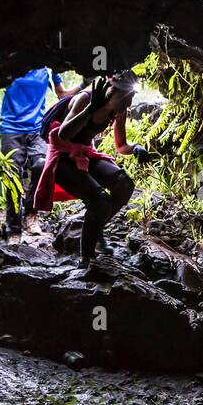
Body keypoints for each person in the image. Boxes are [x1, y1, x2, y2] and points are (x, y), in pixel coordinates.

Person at [33, 72, 152, 270]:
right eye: (126, 97)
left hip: (86, 154)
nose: (129, 103)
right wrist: (91, 109)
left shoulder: (118, 111)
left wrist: (136, 148)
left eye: (131, 98)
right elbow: (64, 134)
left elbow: (121, 145)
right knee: (99, 201)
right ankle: (86, 260)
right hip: (63, 157)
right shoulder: (85, 99)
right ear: (112, 92)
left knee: (124, 184)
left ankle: (96, 229)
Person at [0, 65, 71, 244]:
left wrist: (86, 83)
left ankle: (31, 214)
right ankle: (13, 229)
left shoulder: (49, 68)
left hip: (37, 128)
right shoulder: (12, 62)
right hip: (11, 128)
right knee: (12, 176)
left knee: (41, 164)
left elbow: (62, 94)